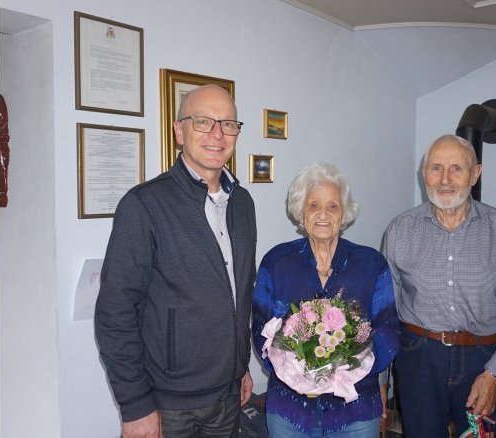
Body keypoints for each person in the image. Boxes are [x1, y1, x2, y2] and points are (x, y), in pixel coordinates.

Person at [95, 84, 256, 438]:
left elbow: (238, 294)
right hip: (169, 404)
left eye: (228, 124)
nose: (217, 134)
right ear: (179, 130)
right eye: (203, 121)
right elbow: (115, 313)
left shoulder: (243, 203)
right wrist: (135, 406)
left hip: (228, 395)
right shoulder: (144, 205)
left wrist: (240, 365)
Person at [382, 134, 496, 437]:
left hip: (483, 360)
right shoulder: (399, 230)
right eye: (436, 168)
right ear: (423, 173)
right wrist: (381, 381)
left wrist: (495, 373)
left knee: (476, 435)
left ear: (475, 174)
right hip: (419, 360)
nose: (444, 179)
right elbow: (384, 313)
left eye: (456, 168)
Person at [251, 162, 400, 437]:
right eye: (313, 205)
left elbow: (388, 329)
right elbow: (261, 327)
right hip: (290, 409)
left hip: (354, 409)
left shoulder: (371, 265)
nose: (323, 214)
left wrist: (349, 367)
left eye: (333, 206)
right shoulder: (276, 262)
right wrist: (295, 372)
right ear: (300, 212)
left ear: (344, 214)